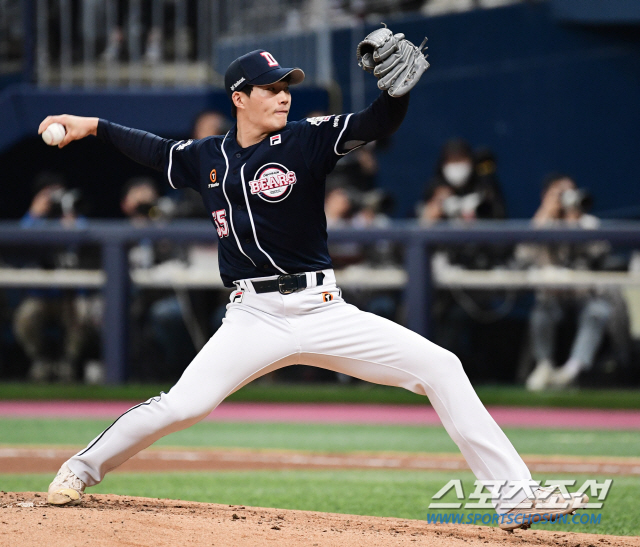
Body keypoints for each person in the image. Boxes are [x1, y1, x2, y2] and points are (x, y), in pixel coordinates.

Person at [40, 44, 587, 530]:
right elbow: (152, 149)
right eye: (272, 89)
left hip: (323, 308)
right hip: (253, 315)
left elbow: (375, 122)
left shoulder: (307, 140)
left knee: (441, 366)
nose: (284, 98)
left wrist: (395, 97)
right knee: (184, 405)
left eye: (287, 88)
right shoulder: (208, 157)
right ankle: (78, 469)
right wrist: (91, 125)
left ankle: (515, 497)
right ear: (240, 96)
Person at [516, 174, 617, 391]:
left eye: (570, 192)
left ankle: (572, 370)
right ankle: (544, 366)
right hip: (551, 296)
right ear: (546, 196)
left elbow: (601, 256)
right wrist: (544, 218)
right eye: (559, 194)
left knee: (599, 311)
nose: (566, 199)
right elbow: (522, 257)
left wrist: (576, 225)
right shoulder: (540, 223)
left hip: (583, 295)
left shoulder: (587, 223)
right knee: (542, 312)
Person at [13, 173, 99, 382]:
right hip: (42, 296)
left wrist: (70, 222)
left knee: (80, 314)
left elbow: (89, 237)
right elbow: (17, 240)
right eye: (49, 195)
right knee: (26, 316)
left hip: (70, 296)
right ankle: (40, 361)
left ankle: (67, 364)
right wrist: (35, 213)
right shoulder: (34, 223)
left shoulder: (72, 219)